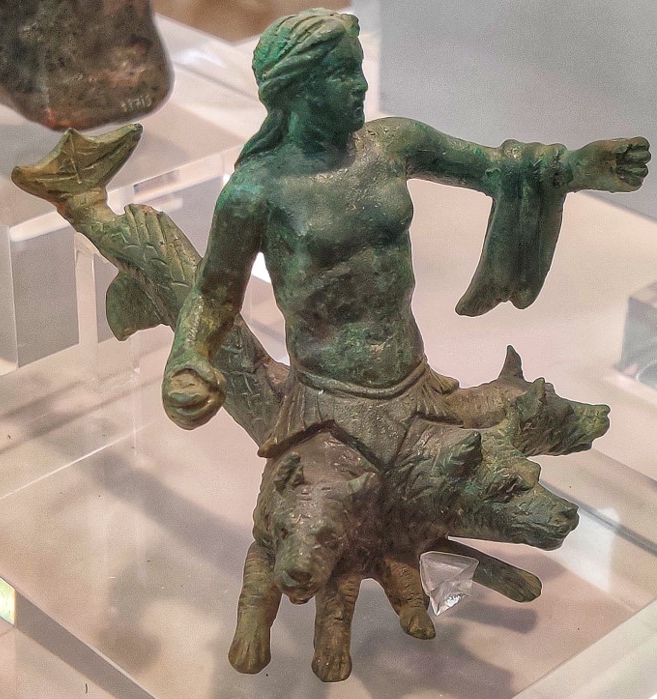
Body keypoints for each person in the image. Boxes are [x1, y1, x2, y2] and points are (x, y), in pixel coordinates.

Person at [162, 9, 648, 466]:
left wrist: (578, 167)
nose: (360, 85)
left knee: (531, 419)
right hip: (328, 401)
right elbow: (213, 294)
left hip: (417, 381)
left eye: (358, 69)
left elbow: (500, 168)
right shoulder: (255, 192)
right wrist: (187, 356)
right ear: (293, 90)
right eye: (341, 74)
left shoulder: (392, 144)